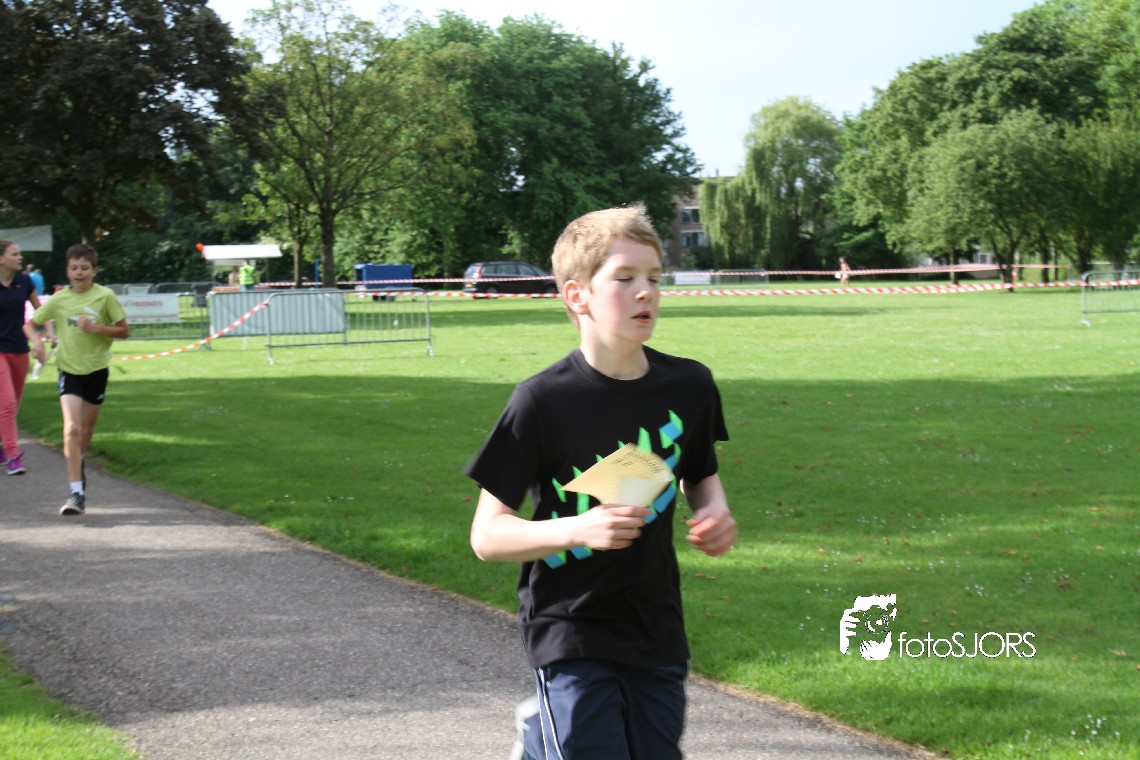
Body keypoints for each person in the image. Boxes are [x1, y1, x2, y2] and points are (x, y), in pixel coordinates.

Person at [465, 204, 738, 760]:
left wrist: (714, 513)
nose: (646, 292)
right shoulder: (541, 402)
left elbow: (700, 474)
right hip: (570, 623)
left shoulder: (689, 386)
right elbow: (487, 536)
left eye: (654, 278)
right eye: (625, 278)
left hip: (654, 622)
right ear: (577, 296)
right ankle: (546, 732)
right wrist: (580, 529)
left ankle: (541, 738)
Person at [24, 244, 129, 516]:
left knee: (85, 431)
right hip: (68, 370)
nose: (79, 273)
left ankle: (78, 458)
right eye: (74, 268)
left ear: (94, 271)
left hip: (96, 370)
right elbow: (30, 324)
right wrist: (38, 342)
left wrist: (95, 328)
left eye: (84, 268)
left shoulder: (105, 296)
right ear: (67, 271)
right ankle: (76, 493)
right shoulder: (59, 299)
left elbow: (124, 331)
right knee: (71, 428)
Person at [1, 241, 51, 475]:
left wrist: (47, 333)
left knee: (12, 406)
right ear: (1, 259)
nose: (20, 257)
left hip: (20, 350)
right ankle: (13, 456)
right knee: (7, 403)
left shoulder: (24, 281)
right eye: (15, 254)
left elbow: (41, 312)